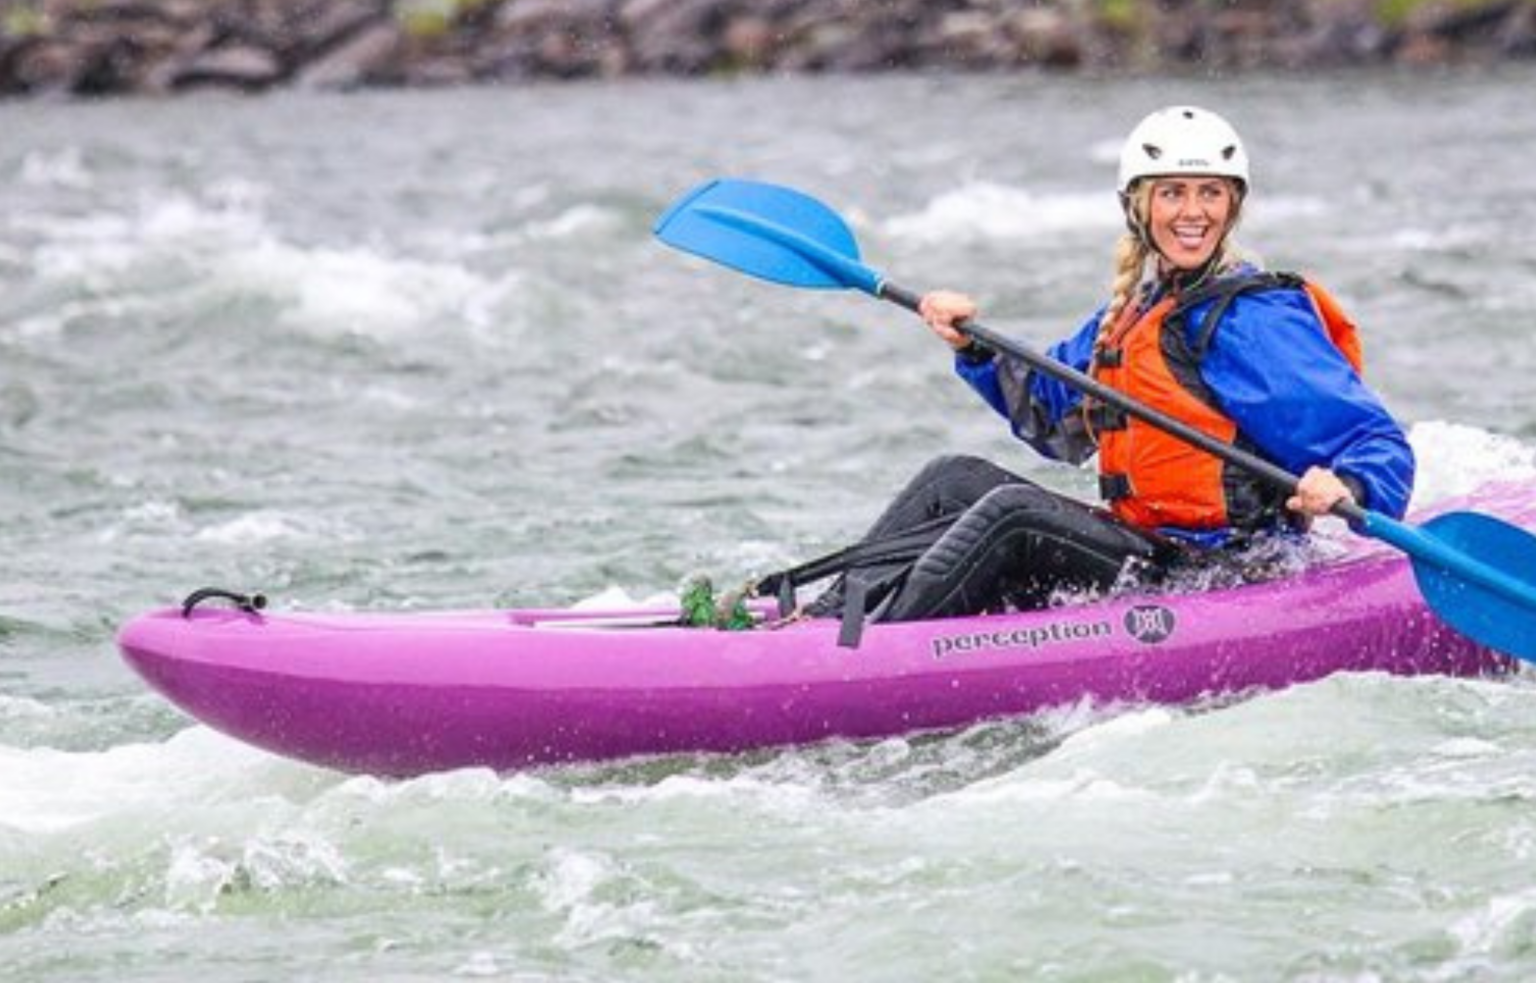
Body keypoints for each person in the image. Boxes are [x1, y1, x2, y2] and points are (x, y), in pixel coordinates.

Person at [775, 105, 1414, 632]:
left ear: (1233, 206)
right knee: (953, 479)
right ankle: (822, 622)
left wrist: (1351, 487)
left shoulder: (1251, 319)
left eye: (1211, 194)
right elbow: (1049, 411)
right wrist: (970, 345)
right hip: (1148, 546)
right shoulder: (1137, 309)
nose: (1193, 212)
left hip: (1223, 569)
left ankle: (859, 657)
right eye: (1173, 193)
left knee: (1015, 512)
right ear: (1138, 205)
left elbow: (1375, 441)